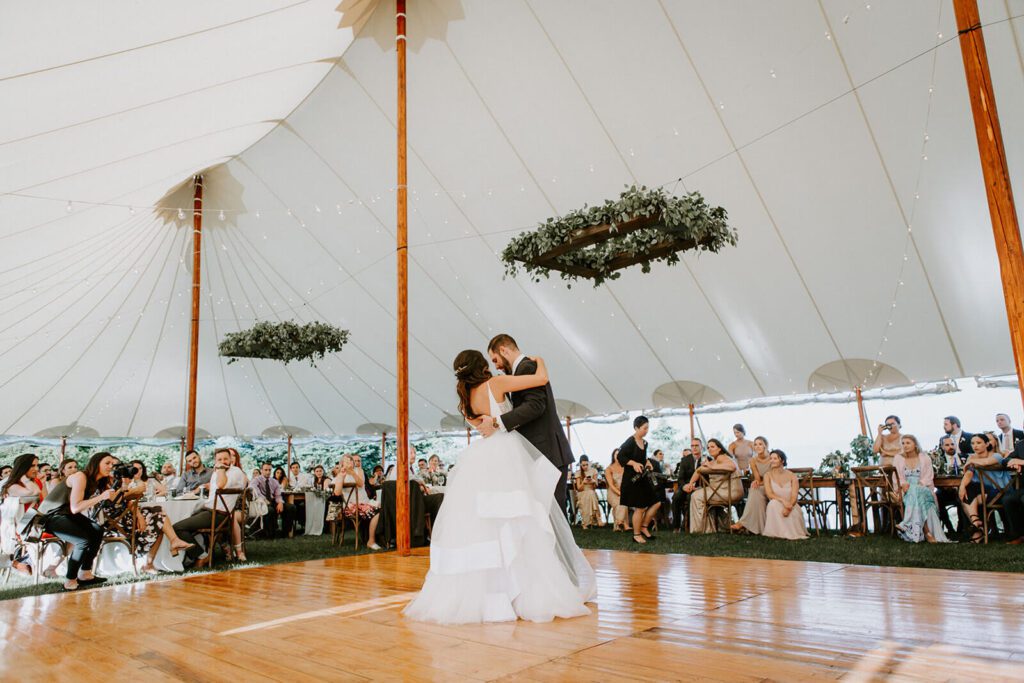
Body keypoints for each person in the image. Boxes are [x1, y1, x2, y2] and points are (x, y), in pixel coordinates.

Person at [404, 348, 595, 624]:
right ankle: (521, 590)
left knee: (487, 527)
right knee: (519, 522)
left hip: (479, 460)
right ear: (481, 366)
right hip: (507, 456)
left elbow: (483, 427)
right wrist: (540, 358)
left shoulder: (465, 402)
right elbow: (540, 379)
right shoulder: (495, 384)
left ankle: (495, 593)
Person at [475, 334, 576, 515]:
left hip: (548, 452)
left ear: (504, 350)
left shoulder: (526, 367)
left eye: (495, 359)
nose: (496, 365)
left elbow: (535, 406)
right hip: (542, 451)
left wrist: (497, 422)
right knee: (545, 514)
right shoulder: (525, 369)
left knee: (553, 514)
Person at [38, 452, 114, 591]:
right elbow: (75, 507)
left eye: (112, 464)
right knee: (82, 540)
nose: (111, 466)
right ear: (96, 463)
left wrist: (123, 486)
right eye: (107, 463)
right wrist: (101, 497)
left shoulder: (97, 481)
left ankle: (85, 573)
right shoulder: (81, 476)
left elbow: (113, 500)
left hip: (65, 514)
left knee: (97, 530)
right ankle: (70, 580)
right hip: (50, 517)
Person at [105, 462, 192, 573]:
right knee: (159, 519)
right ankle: (171, 544)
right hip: (116, 523)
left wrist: (139, 515)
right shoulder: (107, 485)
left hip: (126, 517)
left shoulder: (124, 483)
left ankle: (170, 544)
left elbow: (127, 501)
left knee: (158, 515)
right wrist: (133, 488)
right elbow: (119, 498)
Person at [172, 449, 247, 567]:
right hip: (208, 510)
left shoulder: (235, 471)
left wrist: (220, 469)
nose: (223, 461)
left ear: (231, 459)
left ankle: (202, 556)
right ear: (215, 461)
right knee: (179, 519)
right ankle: (184, 558)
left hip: (218, 515)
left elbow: (221, 485)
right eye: (219, 459)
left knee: (177, 528)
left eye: (225, 459)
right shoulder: (216, 473)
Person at [890, 435, 947, 543]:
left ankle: (906, 524)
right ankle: (927, 532)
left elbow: (929, 476)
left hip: (924, 488)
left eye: (908, 443)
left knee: (916, 491)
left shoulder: (924, 457)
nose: (905, 445)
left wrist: (919, 484)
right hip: (906, 489)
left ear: (915, 444)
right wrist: (903, 484)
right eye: (903, 443)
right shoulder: (898, 458)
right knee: (914, 492)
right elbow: (896, 476)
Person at [616, 416, 661, 544]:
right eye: (644, 428)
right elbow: (620, 457)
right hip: (632, 480)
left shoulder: (645, 443)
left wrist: (648, 463)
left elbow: (643, 458)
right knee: (640, 508)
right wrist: (633, 463)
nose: (646, 430)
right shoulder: (630, 442)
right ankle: (636, 535)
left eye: (648, 428)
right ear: (636, 428)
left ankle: (644, 526)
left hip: (643, 478)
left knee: (656, 502)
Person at [958, 434, 1010, 543]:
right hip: (983, 493)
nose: (975, 446)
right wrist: (962, 486)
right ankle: (976, 522)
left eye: (978, 443)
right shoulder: (972, 458)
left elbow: (986, 462)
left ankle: (977, 530)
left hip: (1000, 492)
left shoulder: (997, 456)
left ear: (987, 444)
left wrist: (971, 461)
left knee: (967, 496)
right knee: (966, 491)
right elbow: (968, 474)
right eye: (973, 443)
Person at [0, 453, 46, 576]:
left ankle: (24, 562)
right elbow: (36, 492)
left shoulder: (35, 481)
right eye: (32, 466)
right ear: (22, 467)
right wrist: (25, 478)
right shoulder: (12, 485)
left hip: (33, 520)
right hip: (21, 524)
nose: (36, 469)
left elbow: (44, 501)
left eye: (37, 465)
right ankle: (17, 562)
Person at [326, 454, 383, 549]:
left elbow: (360, 484)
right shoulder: (340, 474)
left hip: (365, 502)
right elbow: (337, 492)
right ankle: (371, 541)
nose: (349, 463)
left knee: (383, 508)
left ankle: (381, 539)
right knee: (377, 512)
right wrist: (341, 476)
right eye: (346, 461)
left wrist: (352, 472)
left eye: (350, 461)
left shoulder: (359, 471)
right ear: (342, 463)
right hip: (350, 506)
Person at [683, 438, 739, 534]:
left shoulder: (723, 457)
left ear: (719, 448)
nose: (710, 449)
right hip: (723, 491)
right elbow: (698, 470)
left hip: (729, 491)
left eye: (712, 447)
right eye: (708, 447)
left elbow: (732, 467)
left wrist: (712, 467)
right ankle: (709, 528)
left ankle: (701, 529)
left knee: (696, 496)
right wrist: (691, 483)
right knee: (698, 493)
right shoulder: (714, 460)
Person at [762, 450, 808, 540]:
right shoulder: (767, 475)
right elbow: (770, 494)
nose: (772, 460)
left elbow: (794, 496)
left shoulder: (792, 476)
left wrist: (788, 507)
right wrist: (783, 501)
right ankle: (777, 532)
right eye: (771, 458)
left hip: (792, 504)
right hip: (777, 503)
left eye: (775, 458)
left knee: (791, 510)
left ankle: (790, 533)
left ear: (782, 461)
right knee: (773, 504)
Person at [732, 436, 772, 534]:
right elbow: (758, 479)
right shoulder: (753, 460)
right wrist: (756, 482)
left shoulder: (772, 457)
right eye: (755, 444)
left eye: (760, 444)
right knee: (754, 489)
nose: (757, 446)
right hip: (763, 485)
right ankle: (759, 528)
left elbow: (773, 477)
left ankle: (743, 522)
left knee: (755, 491)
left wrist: (760, 483)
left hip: (772, 485)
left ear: (766, 446)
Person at [249, 462, 295, 539]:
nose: (268, 472)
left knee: (291, 507)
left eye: (269, 470)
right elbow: (255, 491)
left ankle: (285, 532)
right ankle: (270, 534)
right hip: (260, 502)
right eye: (266, 470)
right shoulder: (256, 480)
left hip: (272, 501)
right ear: (262, 470)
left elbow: (278, 494)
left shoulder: (274, 481)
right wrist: (264, 500)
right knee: (270, 510)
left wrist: (280, 502)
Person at [671, 447, 697, 533]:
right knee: (676, 497)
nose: (685, 456)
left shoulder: (705, 459)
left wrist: (694, 485)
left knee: (690, 497)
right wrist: (683, 486)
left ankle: (689, 525)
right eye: (684, 455)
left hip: (697, 486)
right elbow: (680, 478)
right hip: (685, 486)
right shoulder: (684, 461)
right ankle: (676, 526)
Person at [1002, 443, 1024, 544]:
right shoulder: (1020, 445)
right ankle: (1018, 535)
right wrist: (1012, 461)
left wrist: (1021, 461)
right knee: (1008, 499)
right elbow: (1004, 461)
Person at [573, 456, 603, 529]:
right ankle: (597, 518)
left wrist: (593, 482)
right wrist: (583, 482)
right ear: (580, 465)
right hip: (582, 492)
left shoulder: (594, 471)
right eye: (583, 465)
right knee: (590, 493)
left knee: (591, 493)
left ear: (589, 463)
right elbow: (579, 489)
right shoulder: (578, 473)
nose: (585, 467)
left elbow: (595, 487)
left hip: (591, 491)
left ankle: (586, 523)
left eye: (587, 464)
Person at [605, 450, 629, 532]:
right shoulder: (609, 469)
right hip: (612, 492)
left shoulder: (626, 467)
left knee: (623, 500)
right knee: (621, 501)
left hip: (624, 491)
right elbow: (611, 485)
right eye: (616, 454)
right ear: (613, 456)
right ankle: (622, 523)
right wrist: (619, 493)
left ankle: (618, 524)